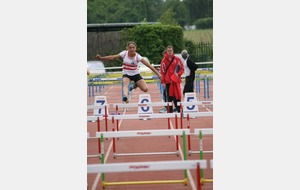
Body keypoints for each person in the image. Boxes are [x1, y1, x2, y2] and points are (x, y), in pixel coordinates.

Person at [96, 41, 162, 103]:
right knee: (125, 83)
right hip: (126, 74)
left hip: (135, 74)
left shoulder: (138, 57)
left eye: (133, 47)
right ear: (128, 48)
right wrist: (101, 58)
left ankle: (135, 85)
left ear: (135, 48)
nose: (131, 49)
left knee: (145, 89)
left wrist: (158, 74)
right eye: (130, 48)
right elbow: (112, 57)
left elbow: (149, 66)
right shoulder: (124, 53)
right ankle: (125, 96)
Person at [160, 45, 184, 113]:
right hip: (168, 82)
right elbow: (162, 72)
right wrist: (163, 82)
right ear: (166, 51)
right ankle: (170, 112)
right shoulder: (164, 61)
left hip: (175, 81)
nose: (170, 52)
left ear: (173, 51)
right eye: (168, 51)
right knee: (169, 97)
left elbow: (182, 68)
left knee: (177, 96)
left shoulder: (177, 59)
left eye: (171, 50)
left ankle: (179, 110)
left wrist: (178, 74)